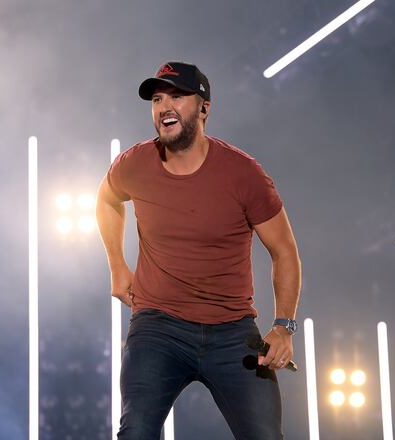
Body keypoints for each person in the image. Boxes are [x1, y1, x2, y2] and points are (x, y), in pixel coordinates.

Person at [96, 61, 302, 440]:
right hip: (158, 327)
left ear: (204, 107)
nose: (163, 106)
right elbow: (106, 199)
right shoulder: (135, 162)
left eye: (177, 95)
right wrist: (116, 265)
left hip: (232, 332)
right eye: (157, 98)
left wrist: (284, 326)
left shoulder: (244, 174)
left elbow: (285, 250)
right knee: (136, 431)